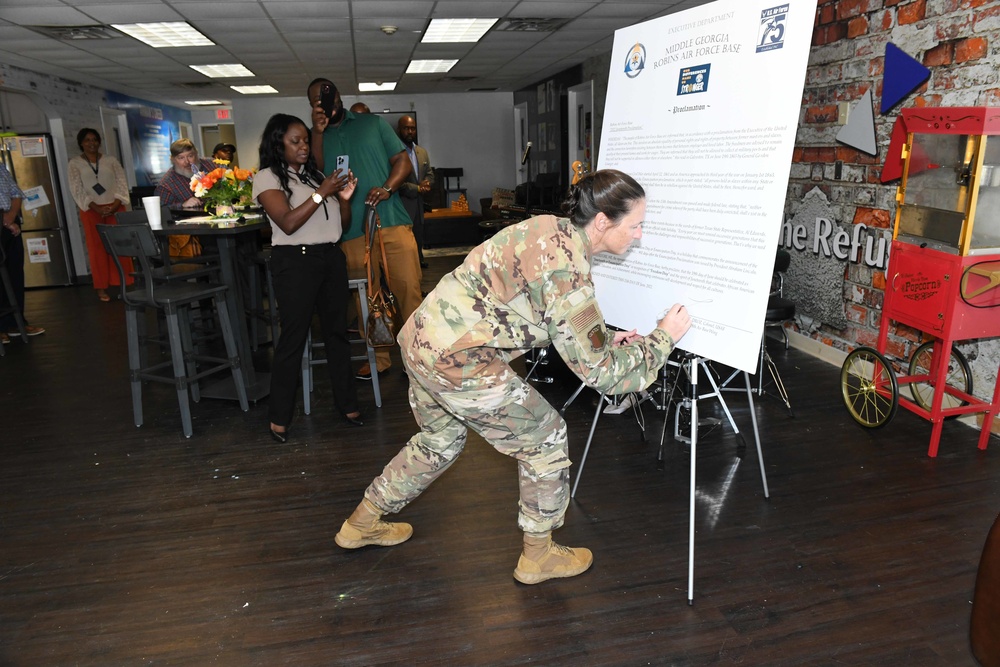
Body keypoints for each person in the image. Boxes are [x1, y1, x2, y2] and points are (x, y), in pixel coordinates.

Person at [335, 169, 692, 585]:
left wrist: (606, 338)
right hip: (459, 359)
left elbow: (550, 318)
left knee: (439, 441)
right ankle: (537, 556)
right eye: (635, 226)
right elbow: (604, 376)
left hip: (423, 340)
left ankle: (361, 522)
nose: (639, 236)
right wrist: (664, 337)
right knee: (546, 439)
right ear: (602, 222)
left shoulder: (548, 229)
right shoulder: (568, 271)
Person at [252, 113, 364, 442]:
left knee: (337, 335)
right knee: (293, 339)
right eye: (295, 141)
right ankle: (279, 417)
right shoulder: (266, 178)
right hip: (295, 263)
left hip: (330, 258)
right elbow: (287, 223)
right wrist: (322, 192)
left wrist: (342, 200)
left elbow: (339, 225)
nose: (304, 147)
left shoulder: (314, 176)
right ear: (278, 144)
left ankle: (348, 404)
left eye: (305, 141)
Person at [308, 78, 421, 380]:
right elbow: (315, 172)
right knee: (366, 300)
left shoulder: (373, 124)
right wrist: (317, 133)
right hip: (350, 230)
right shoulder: (313, 137)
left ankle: (419, 359)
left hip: (392, 220)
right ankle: (380, 360)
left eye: (327, 97)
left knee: (408, 289)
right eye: (316, 100)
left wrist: (387, 188)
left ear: (338, 97)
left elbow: (402, 162)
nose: (323, 103)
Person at [67, 128, 132, 302]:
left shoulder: (111, 160)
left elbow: (121, 183)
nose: (92, 143)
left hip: (115, 208)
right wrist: (96, 207)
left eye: (95, 139)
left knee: (120, 246)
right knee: (97, 250)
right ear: (81, 143)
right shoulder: (75, 163)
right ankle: (101, 288)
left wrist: (115, 205)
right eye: (87, 140)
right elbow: (76, 189)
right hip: (91, 210)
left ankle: (123, 284)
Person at [0, 163, 44, 344]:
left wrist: (11, 215)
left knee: (15, 274)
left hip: (10, 222)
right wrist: (5, 220)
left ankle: (16, 323)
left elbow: (16, 193)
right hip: (4, 222)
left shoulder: (1, 167)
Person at [154, 138, 216, 257]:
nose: (187, 162)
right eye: (181, 158)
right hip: (196, 234)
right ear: (173, 160)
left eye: (190, 156)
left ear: (196, 154)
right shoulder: (167, 184)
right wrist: (181, 205)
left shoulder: (211, 165)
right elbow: (159, 211)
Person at [396, 115, 434, 268]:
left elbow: (430, 174)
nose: (410, 131)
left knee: (418, 235)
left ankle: (419, 260)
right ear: (399, 130)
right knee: (404, 240)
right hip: (402, 204)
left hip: (419, 204)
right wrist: (418, 188)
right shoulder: (394, 152)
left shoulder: (422, 152)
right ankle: (408, 266)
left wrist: (427, 183)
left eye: (413, 128)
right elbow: (397, 183)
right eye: (406, 128)